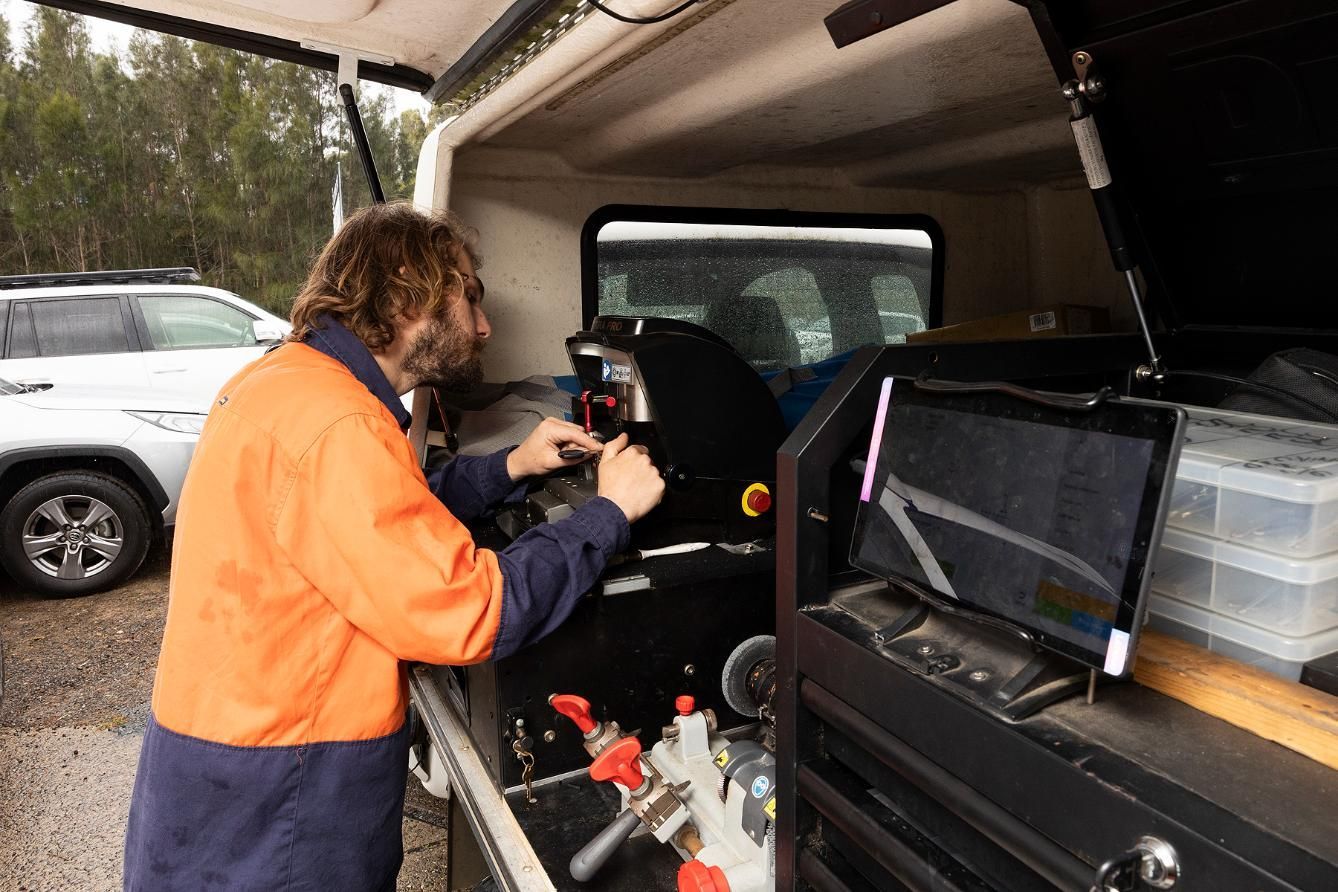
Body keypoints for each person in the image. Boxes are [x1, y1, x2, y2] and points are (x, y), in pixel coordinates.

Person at [123, 202, 665, 890]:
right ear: (410, 286)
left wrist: (513, 467)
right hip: (284, 785)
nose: (484, 324)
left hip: (220, 757)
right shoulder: (341, 422)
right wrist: (610, 511)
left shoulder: (284, 382)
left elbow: (378, 520)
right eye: (470, 295)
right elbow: (476, 612)